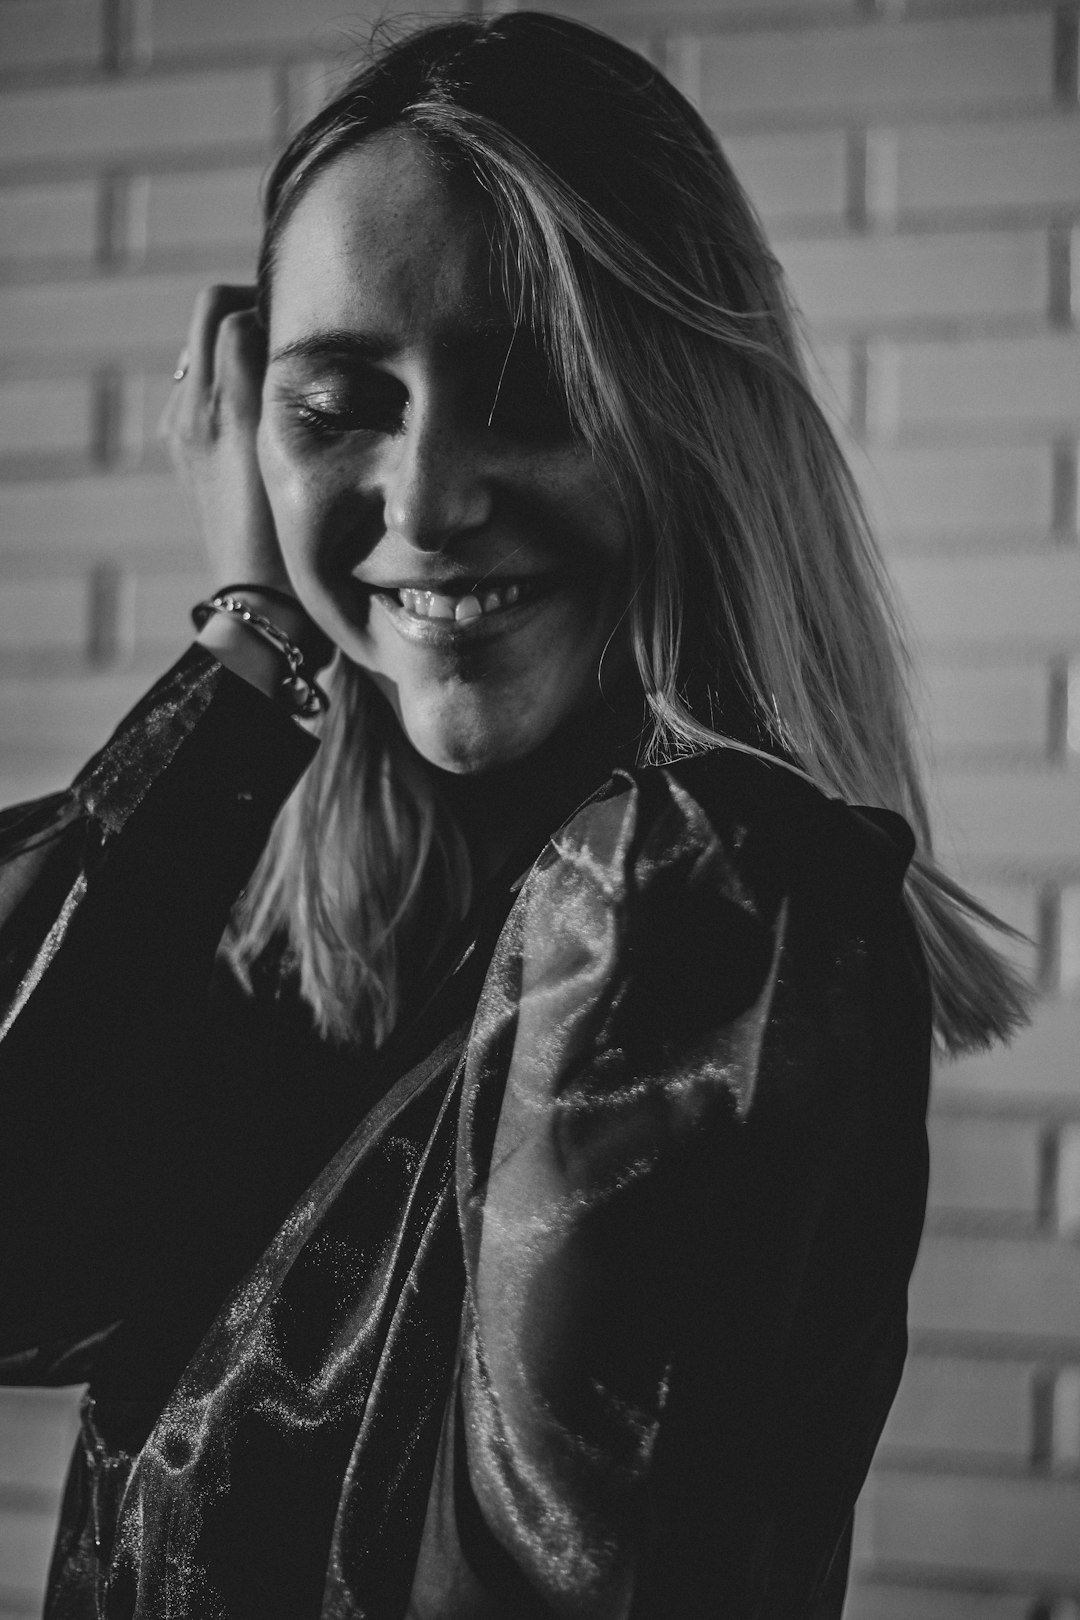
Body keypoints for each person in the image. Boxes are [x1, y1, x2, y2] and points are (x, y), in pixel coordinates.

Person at [0, 14, 1029, 1619]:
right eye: (336, 405)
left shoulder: (678, 894)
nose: (420, 503)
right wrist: (251, 645)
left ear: (690, 420)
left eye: (530, 388)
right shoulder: (380, 927)